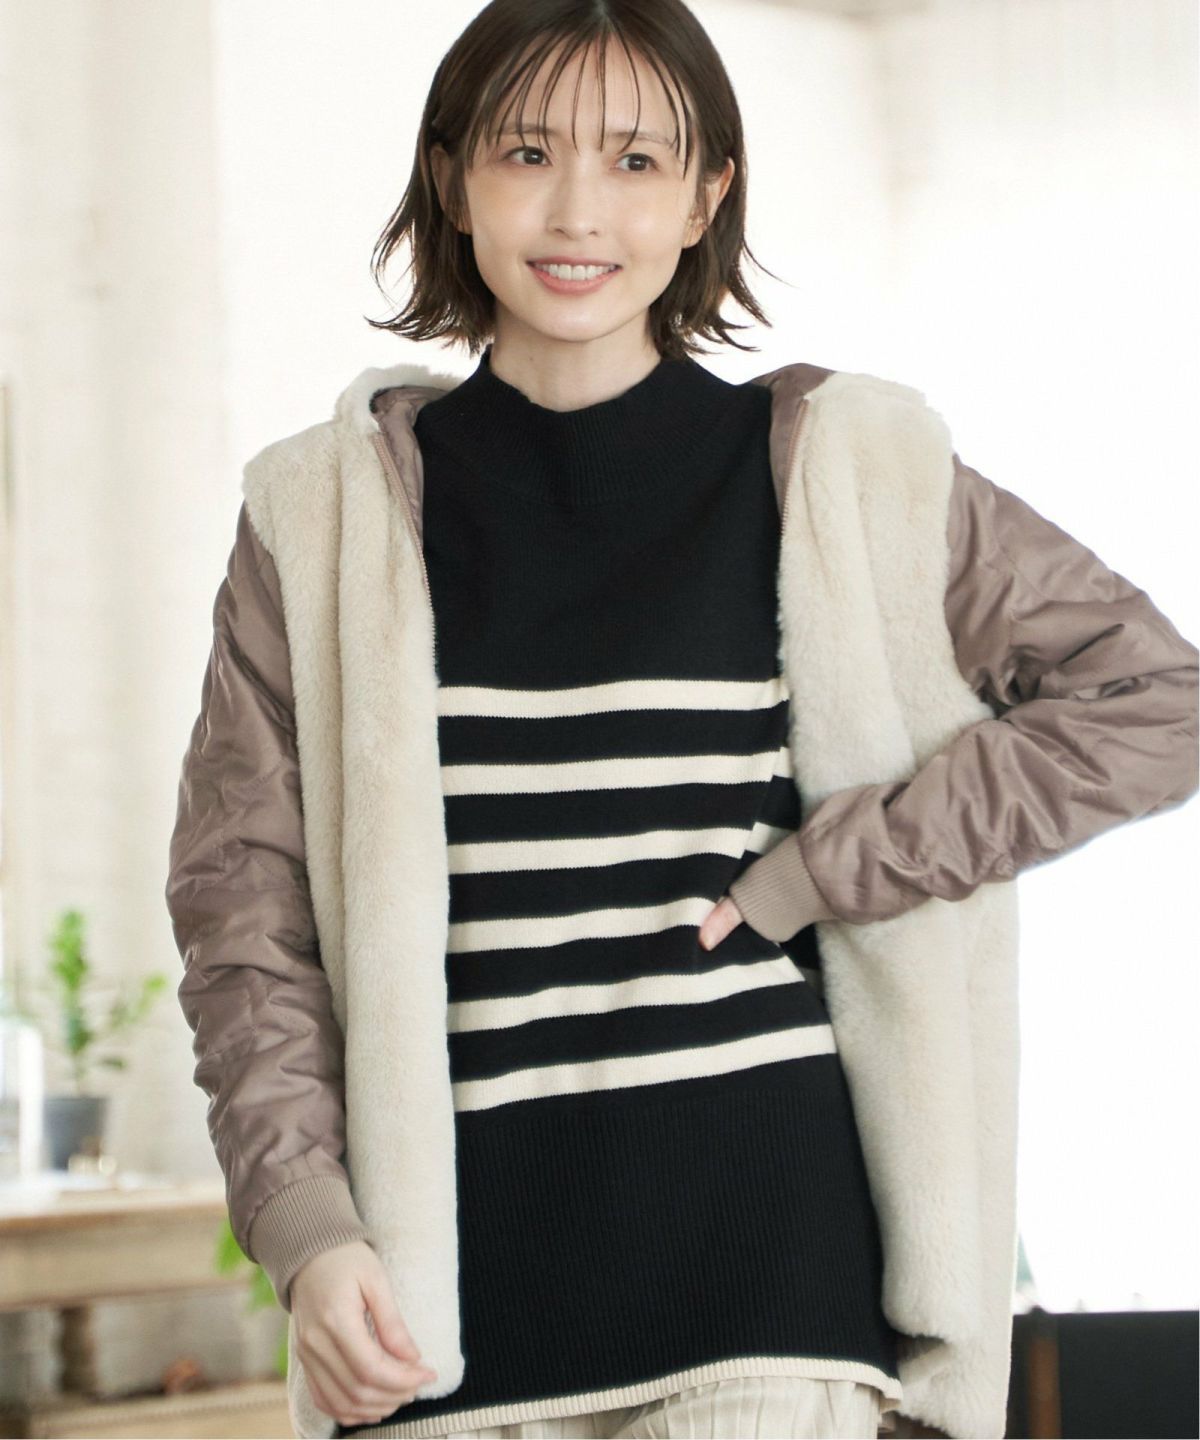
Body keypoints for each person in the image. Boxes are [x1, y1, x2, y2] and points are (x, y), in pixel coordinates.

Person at [164, 3, 1199, 1438]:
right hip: (444, 1316)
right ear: (454, 179)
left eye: (638, 161)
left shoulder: (845, 474)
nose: (579, 211)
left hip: (769, 1290)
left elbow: (1155, 698)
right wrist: (305, 1223)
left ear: (708, 193)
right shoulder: (317, 516)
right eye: (529, 152)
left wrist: (832, 865)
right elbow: (242, 909)